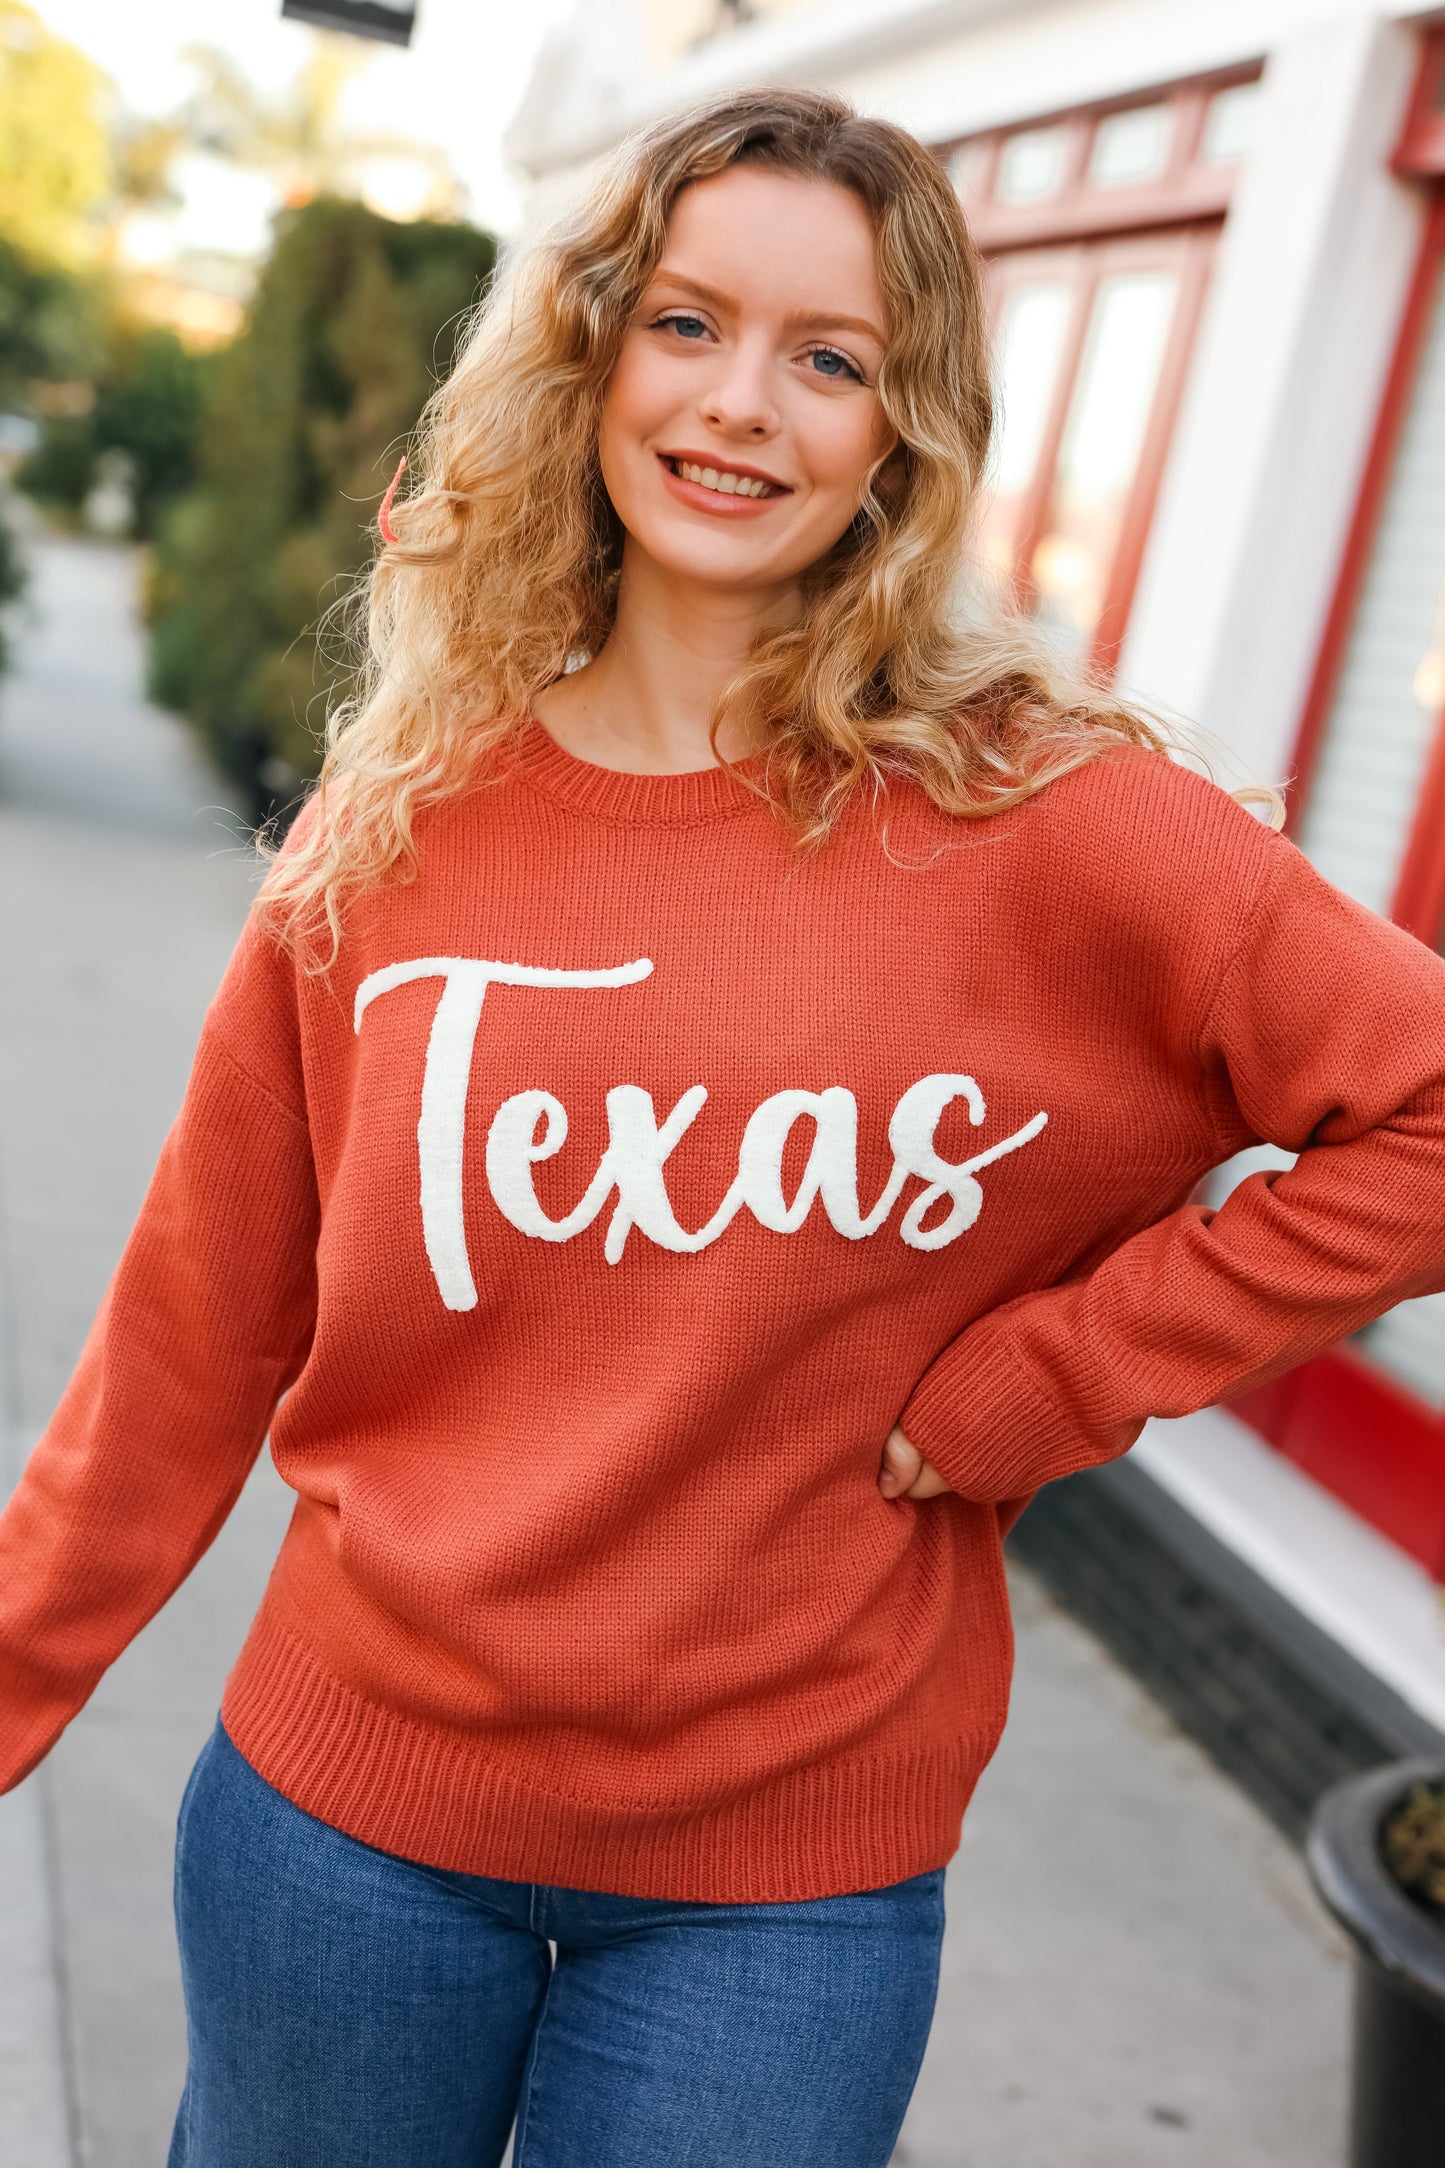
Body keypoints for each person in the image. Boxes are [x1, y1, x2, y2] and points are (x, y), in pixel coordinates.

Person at [3, 85, 1444, 2168]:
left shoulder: (1044, 815)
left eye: (829, 358)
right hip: (347, 1834)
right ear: (594, 352)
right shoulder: (403, 821)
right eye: (687, 324)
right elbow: (190, 1330)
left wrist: (1067, 1370)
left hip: (786, 1880)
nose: (740, 406)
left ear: (906, 427)